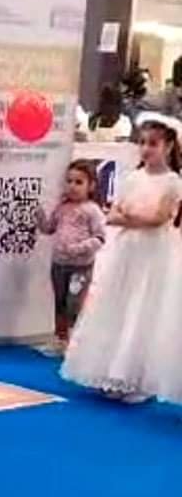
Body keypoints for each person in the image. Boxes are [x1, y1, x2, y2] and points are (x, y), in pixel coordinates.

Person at [61, 112, 182, 404]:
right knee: (118, 305)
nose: (146, 149)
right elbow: (113, 214)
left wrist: (131, 217)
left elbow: (157, 218)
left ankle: (135, 377)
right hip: (128, 250)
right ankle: (110, 371)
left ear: (168, 146)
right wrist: (131, 217)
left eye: (153, 143)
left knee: (143, 310)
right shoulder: (132, 177)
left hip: (154, 253)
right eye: (143, 143)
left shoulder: (172, 181)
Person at [35, 159, 105, 356]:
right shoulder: (62, 207)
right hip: (59, 264)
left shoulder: (92, 210)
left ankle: (75, 341)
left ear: (91, 186)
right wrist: (39, 217)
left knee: (74, 304)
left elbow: (100, 238)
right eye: (69, 181)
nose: (72, 186)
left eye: (79, 182)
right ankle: (60, 339)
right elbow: (49, 228)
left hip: (80, 267)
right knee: (60, 302)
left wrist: (79, 248)